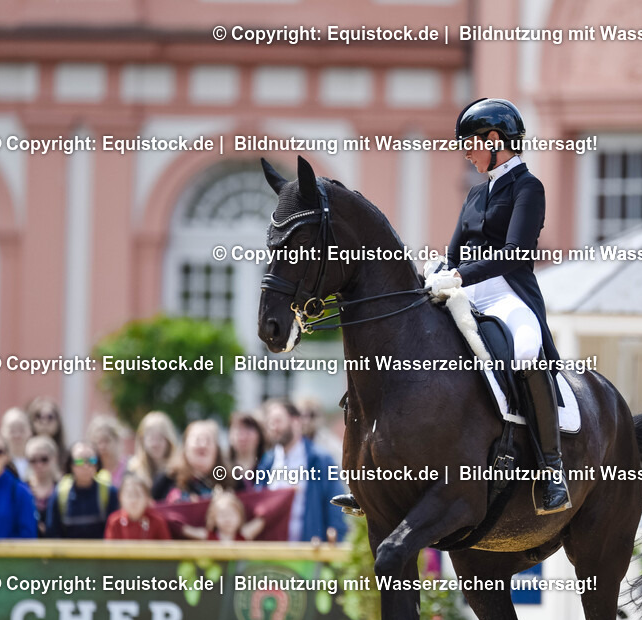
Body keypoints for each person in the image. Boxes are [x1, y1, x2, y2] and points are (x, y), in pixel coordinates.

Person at [334, 98, 571, 516]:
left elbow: (515, 253)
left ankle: (551, 469)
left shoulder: (528, 187)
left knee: (526, 352)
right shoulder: (476, 193)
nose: (466, 153)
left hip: (507, 293)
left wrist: (460, 275)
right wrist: (439, 270)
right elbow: (455, 251)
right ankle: (375, 473)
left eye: (471, 144)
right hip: (465, 290)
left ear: (495, 139)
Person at [262, 399, 345, 542]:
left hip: (310, 548)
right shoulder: (268, 461)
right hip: (273, 549)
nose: (273, 427)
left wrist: (335, 542)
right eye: (270, 422)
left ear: (295, 421)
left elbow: (336, 506)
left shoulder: (320, 460)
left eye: (278, 421)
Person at [45, 442, 119, 538]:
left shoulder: (110, 493)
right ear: (70, 464)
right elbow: (52, 533)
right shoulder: (59, 494)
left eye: (91, 460)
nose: (86, 466)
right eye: (79, 461)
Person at [153, 420, 228, 502]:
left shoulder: (230, 481)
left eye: (208, 440)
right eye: (197, 440)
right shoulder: (167, 480)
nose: (203, 445)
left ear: (217, 449)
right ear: (185, 446)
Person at [104, 472, 171, 540]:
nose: (133, 500)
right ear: (120, 497)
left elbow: (166, 545)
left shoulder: (157, 521)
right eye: (129, 495)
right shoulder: (115, 521)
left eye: (138, 495)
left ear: (147, 498)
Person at [127, 410, 179, 493]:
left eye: (160, 437)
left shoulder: (179, 473)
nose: (155, 444)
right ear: (142, 440)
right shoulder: (132, 472)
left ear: (168, 440)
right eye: (151, 438)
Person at [25, 435, 61, 537]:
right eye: (33, 460)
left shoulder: (62, 488)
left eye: (44, 459)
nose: (39, 464)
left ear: (54, 458)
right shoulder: (22, 489)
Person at [27, 397, 68, 472]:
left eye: (50, 417)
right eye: (39, 416)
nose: (44, 422)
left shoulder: (66, 456)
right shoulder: (24, 453)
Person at [87, 414, 128, 487]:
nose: (102, 446)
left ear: (116, 440)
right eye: (98, 442)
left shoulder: (129, 467)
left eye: (106, 440)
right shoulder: (88, 468)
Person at [228, 412, 266, 490]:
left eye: (248, 429)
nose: (243, 436)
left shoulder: (269, 465)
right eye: (238, 430)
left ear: (259, 435)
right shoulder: (224, 470)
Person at [0, 408, 32, 481]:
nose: (17, 435)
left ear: (30, 431)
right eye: (12, 430)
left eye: (21, 430)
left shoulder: (40, 461)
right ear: (2, 432)